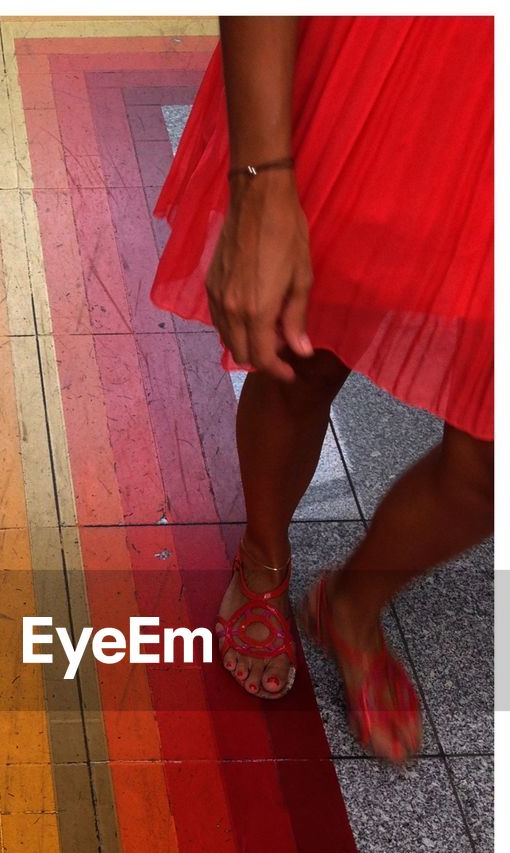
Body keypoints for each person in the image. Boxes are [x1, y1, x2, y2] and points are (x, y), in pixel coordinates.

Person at [151, 16, 494, 764]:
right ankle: (263, 562)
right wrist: (262, 182)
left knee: (489, 465)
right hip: (410, 75)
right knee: (301, 353)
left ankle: (350, 603)